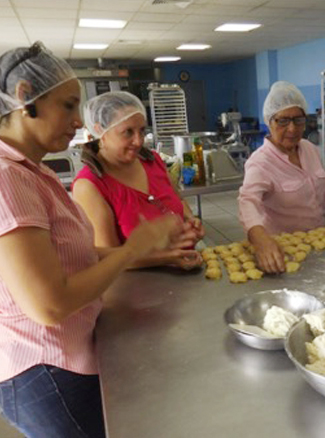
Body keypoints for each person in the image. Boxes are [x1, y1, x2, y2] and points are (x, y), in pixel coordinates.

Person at [0, 42, 182, 438]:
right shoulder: (6, 177)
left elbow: (72, 254)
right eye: (67, 106)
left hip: (68, 357)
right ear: (25, 96)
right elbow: (49, 305)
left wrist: (151, 250)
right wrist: (135, 247)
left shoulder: (34, 171)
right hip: (47, 370)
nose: (78, 121)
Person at [72, 91, 204, 270]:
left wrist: (190, 220)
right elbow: (107, 256)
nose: (139, 141)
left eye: (142, 131)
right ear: (100, 131)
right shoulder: (90, 185)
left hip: (184, 270)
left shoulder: (153, 161)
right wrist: (168, 258)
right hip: (138, 286)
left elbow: (177, 199)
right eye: (128, 132)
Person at [238, 81, 325, 273]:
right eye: (283, 121)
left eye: (298, 120)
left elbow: (323, 198)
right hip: (285, 252)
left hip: (323, 242)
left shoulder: (310, 149)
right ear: (269, 121)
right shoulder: (260, 162)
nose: (292, 129)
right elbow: (248, 201)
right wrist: (260, 239)